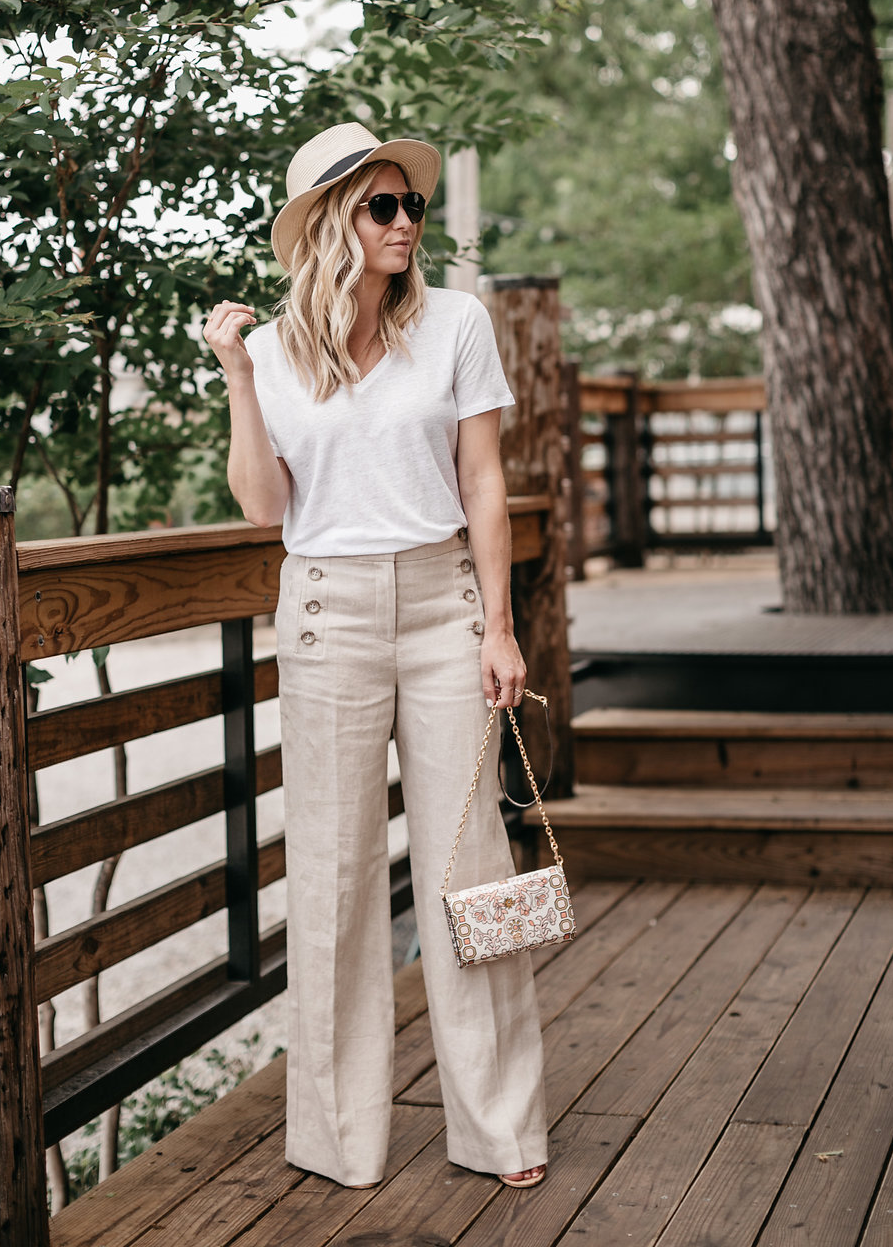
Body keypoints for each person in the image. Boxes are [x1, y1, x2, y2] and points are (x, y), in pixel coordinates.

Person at [202, 122, 548, 1191]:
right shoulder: (265, 352)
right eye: (382, 208)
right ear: (327, 225)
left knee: (471, 872)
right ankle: (338, 1139)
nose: (408, 226)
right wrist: (233, 376)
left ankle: (500, 1130)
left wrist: (497, 625)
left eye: (412, 207)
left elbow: (483, 483)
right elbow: (265, 507)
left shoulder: (454, 323)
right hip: (324, 613)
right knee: (336, 876)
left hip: (442, 602)